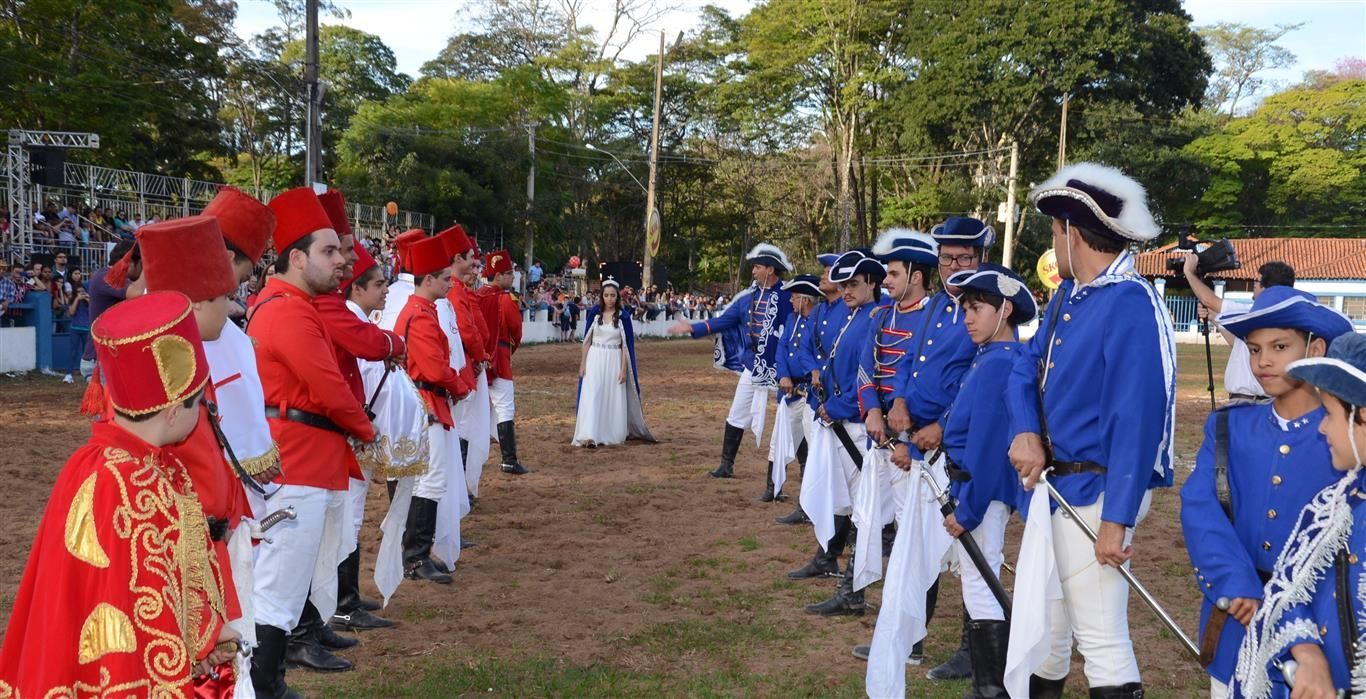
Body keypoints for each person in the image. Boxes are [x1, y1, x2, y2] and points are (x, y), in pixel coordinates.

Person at [0, 291, 236, 696]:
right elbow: (151, 609)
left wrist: (206, 637)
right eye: (199, 402)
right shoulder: (138, 483)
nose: (203, 413)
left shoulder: (93, 463)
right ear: (175, 410)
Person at [1005, 162, 1176, 698]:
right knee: (1049, 632)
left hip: (1101, 491)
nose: (1053, 242)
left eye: (1054, 231)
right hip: (1059, 490)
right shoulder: (1069, 297)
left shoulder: (1128, 301)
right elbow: (1020, 367)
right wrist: (1027, 431)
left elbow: (1138, 418)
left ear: (1071, 232)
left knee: (1101, 639)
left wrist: (1117, 518)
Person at [1180, 287, 1353, 698]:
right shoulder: (1229, 427)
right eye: (1254, 349)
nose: (1264, 361)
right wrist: (1236, 584)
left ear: (1317, 347)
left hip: (1319, 640)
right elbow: (1201, 510)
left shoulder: (1344, 440)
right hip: (1238, 624)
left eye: (1279, 346)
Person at [247, 187, 377, 695]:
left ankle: (269, 679)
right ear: (295, 258)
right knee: (280, 581)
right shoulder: (289, 310)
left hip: (302, 453)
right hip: (297, 459)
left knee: (287, 576)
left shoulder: (289, 305)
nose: (341, 260)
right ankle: (265, 685)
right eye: (328, 251)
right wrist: (367, 431)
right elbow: (329, 388)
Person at [1232, 332, 1366, 699]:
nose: (1322, 427)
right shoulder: (1336, 504)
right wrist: (1308, 654)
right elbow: (1288, 589)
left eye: (1331, 414)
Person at [936, 264, 1036, 697]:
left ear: (1005, 309)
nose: (968, 319)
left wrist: (968, 507)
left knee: (981, 583)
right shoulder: (991, 358)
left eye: (977, 308)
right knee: (979, 580)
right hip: (971, 486)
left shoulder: (999, 363)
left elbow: (985, 445)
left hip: (981, 490)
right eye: (965, 310)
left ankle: (991, 688)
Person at [314, 189, 405, 633]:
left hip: (341, 426)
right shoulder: (331, 306)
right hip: (331, 429)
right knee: (341, 517)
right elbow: (367, 346)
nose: (346, 260)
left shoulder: (336, 304)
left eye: (345, 249)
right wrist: (395, 345)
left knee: (346, 515)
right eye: (336, 250)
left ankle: (346, 600)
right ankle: (340, 605)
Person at [802, 249, 885, 617]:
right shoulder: (853, 316)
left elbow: (867, 377)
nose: (846, 290)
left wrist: (835, 406)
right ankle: (846, 581)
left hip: (855, 422)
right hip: (841, 418)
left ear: (872, 283)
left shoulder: (873, 319)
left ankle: (852, 591)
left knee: (865, 511)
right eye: (844, 284)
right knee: (853, 507)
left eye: (854, 284)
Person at [667, 243, 794, 480]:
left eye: (757, 267)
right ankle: (726, 464)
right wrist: (694, 329)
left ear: (770, 269)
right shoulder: (747, 298)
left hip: (781, 368)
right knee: (736, 413)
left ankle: (788, 471)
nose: (753, 272)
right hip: (751, 365)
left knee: (789, 418)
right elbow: (724, 321)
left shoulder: (789, 296)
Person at [395, 235, 469, 583]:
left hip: (424, 400)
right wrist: (459, 383)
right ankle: (415, 556)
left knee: (427, 479)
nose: (449, 283)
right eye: (444, 278)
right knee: (431, 478)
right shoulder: (421, 316)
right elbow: (436, 368)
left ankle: (416, 553)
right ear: (427, 280)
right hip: (427, 402)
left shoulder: (417, 312)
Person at [1186, 255, 1298, 401]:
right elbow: (1240, 345)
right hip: (1265, 401)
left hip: (1248, 402)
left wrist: (1189, 272)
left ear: (1267, 288)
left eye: (1257, 281)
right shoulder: (1284, 318)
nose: (1254, 284)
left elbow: (1209, 300)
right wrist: (1214, 319)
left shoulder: (1252, 312)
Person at [444, 226, 494, 505]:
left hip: (469, 365)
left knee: (466, 428)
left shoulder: (460, 289)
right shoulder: (454, 290)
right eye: (471, 261)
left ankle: (462, 489)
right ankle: (460, 491)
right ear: (457, 259)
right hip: (462, 368)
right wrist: (479, 357)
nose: (475, 268)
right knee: (463, 429)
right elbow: (465, 329)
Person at [573, 278, 655, 447]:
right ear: (601, 296)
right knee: (593, 394)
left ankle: (609, 433)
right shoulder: (594, 314)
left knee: (611, 396)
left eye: (612, 296)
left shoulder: (623, 317)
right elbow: (586, 341)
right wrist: (583, 363)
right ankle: (590, 434)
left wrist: (624, 369)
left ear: (617, 297)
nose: (609, 299)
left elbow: (626, 346)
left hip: (614, 360)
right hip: (595, 359)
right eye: (606, 295)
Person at [767, 274, 823, 504]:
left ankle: (809, 498)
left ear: (805, 300)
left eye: (794, 297)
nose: (790, 301)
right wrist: (783, 376)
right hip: (790, 391)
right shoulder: (791, 319)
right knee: (778, 440)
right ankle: (772, 487)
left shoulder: (818, 320)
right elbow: (781, 349)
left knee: (813, 442)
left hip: (810, 392)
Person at [478, 250, 529, 475]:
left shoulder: (476, 296)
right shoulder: (506, 299)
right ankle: (509, 459)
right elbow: (516, 332)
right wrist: (509, 350)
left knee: (478, 410)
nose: (512, 277)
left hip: (478, 361)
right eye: (508, 273)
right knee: (505, 408)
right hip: (499, 358)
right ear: (498, 276)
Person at [64, 268, 90, 382]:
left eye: (82, 292)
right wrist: (77, 300)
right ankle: (69, 374)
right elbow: (71, 312)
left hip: (87, 329)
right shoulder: (73, 300)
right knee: (73, 352)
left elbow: (94, 310)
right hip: (75, 328)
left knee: (87, 353)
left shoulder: (89, 300)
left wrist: (88, 300)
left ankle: (87, 374)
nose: (81, 294)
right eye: (79, 292)